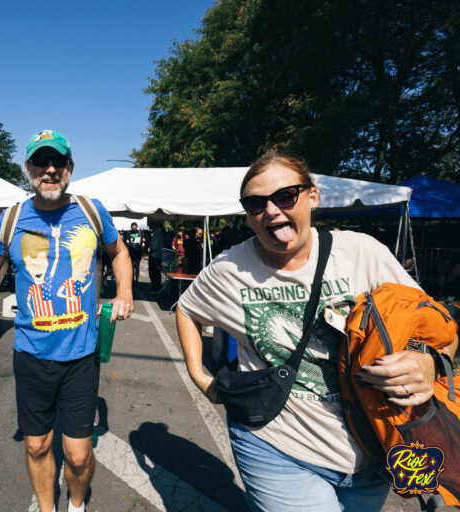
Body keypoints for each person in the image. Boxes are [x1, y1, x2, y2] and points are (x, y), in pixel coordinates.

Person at [176, 151, 458, 511]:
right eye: (256, 203)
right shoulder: (229, 268)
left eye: (285, 196)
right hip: (274, 443)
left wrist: (431, 363)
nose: (272, 210)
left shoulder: (362, 253)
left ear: (312, 197)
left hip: (374, 449)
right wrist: (201, 376)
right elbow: (187, 308)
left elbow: (439, 328)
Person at [0, 129, 133, 512]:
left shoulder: (91, 210)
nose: (49, 170)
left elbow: (119, 252)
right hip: (31, 353)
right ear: (27, 167)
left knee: (78, 456)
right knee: (37, 445)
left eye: (57, 162)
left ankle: (76, 505)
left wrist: (124, 292)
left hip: (81, 355)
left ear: (69, 168)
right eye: (41, 162)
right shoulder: (11, 218)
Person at [148, 220, 164, 292]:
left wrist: (150, 252)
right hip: (158, 255)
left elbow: (155, 245)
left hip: (155, 255)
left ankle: (155, 288)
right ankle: (155, 287)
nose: (151, 228)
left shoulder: (157, 232)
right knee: (156, 272)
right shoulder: (159, 232)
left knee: (153, 272)